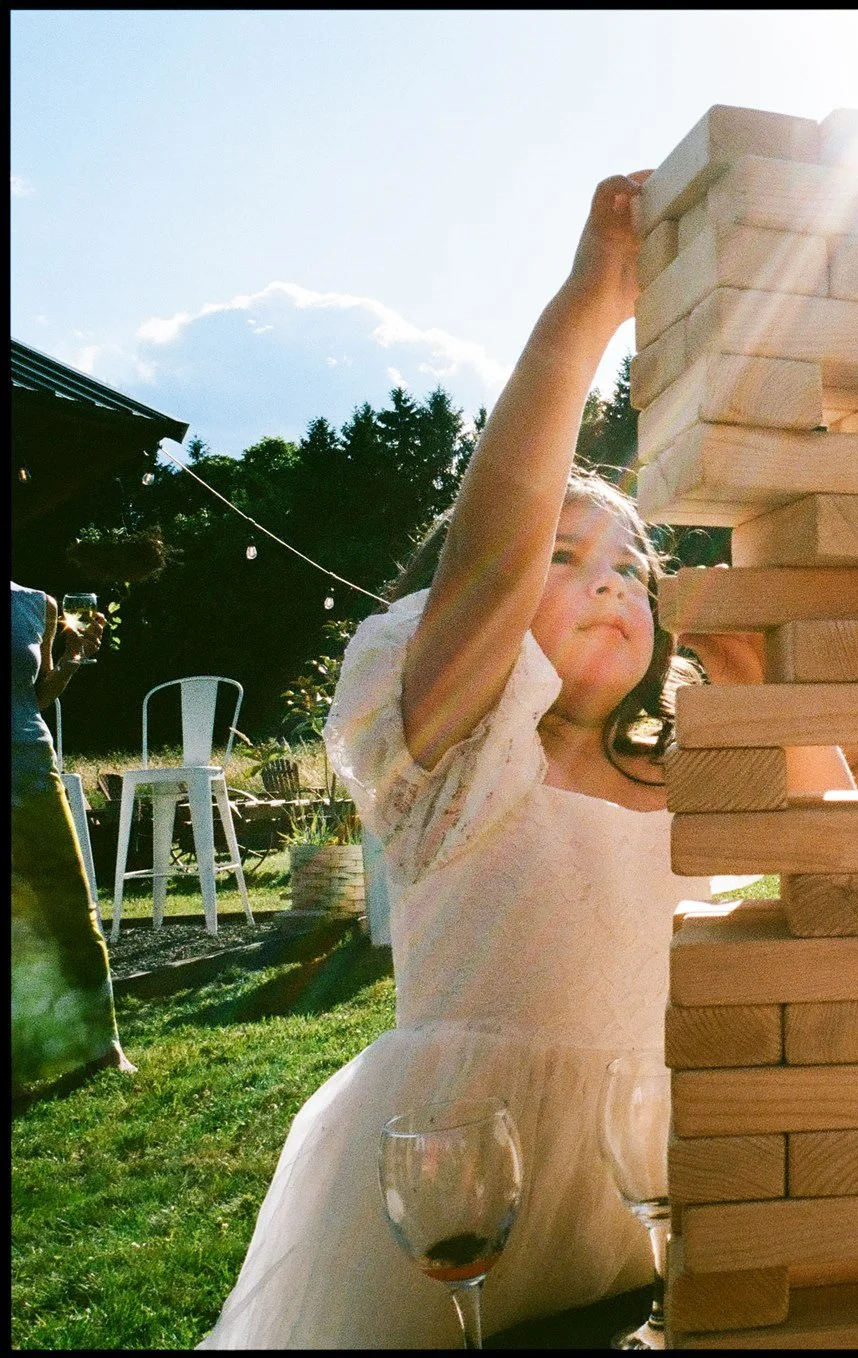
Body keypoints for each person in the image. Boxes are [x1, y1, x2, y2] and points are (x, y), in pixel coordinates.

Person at [204, 171, 742, 1347]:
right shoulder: (455, 758)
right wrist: (590, 304)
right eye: (565, 554)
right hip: (453, 1205)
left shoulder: (692, 768)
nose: (608, 575)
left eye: (629, 564)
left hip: (643, 1185)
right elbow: (490, 561)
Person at [12, 583, 130, 1102]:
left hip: (32, 767)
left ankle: (104, 1044)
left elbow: (34, 696)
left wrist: (74, 659)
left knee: (72, 906)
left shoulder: (35, 603)